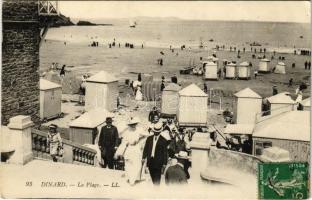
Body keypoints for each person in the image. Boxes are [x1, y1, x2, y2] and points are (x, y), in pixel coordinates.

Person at [114, 117, 149, 186]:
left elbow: (147, 135)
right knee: (128, 165)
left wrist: (140, 139)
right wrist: (118, 153)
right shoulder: (127, 132)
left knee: (137, 165)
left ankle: (133, 178)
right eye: (132, 124)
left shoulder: (139, 130)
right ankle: (131, 180)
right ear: (129, 125)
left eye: (134, 124)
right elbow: (123, 143)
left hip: (136, 149)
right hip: (129, 149)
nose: (133, 125)